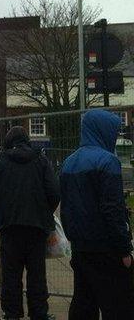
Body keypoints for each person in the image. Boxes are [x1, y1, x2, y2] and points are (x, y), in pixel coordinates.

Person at [59, 109, 134, 319]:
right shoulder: (108, 161)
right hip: (107, 249)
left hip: (81, 249)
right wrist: (124, 250)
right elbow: (113, 210)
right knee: (120, 307)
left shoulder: (68, 162)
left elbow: (65, 208)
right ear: (103, 131)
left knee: (83, 305)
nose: (115, 136)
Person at [0, 126, 59, 320]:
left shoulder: (0, 161)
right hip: (36, 228)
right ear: (27, 141)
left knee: (10, 275)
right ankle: (39, 313)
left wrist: (0, 211)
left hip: (9, 227)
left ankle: (11, 314)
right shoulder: (41, 160)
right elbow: (54, 192)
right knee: (37, 275)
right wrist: (43, 212)